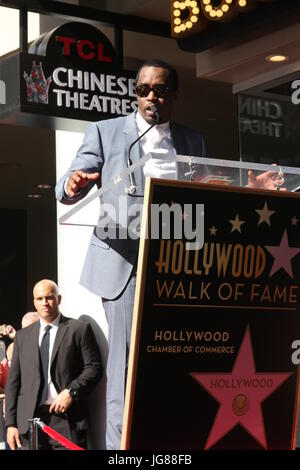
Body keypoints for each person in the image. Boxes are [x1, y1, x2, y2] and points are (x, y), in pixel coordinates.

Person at [55, 59, 282, 449]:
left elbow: (206, 190)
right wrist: (73, 184)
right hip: (124, 261)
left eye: (159, 90)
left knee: (173, 358)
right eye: (142, 89)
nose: (150, 97)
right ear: (135, 93)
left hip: (174, 262)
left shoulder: (192, 141)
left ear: (173, 95)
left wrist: (247, 185)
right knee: (125, 367)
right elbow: (70, 180)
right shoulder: (107, 133)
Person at [4, 279, 102, 450]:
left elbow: (94, 368)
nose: (45, 303)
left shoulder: (78, 329)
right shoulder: (22, 337)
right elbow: (13, 383)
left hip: (67, 421)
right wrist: (11, 424)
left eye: (49, 297)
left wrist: (72, 391)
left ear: (59, 299)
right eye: (40, 298)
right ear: (34, 302)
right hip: (30, 422)